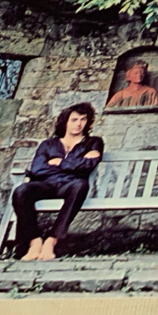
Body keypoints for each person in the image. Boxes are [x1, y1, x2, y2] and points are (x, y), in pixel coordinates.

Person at [12, 102, 104, 261]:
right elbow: (38, 169)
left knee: (81, 185)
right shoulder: (48, 144)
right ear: (65, 122)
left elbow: (88, 166)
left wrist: (59, 163)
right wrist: (76, 163)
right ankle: (34, 242)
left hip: (71, 184)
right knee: (22, 191)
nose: (79, 124)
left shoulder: (93, 142)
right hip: (46, 184)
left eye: (83, 119)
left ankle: (51, 241)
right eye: (74, 120)